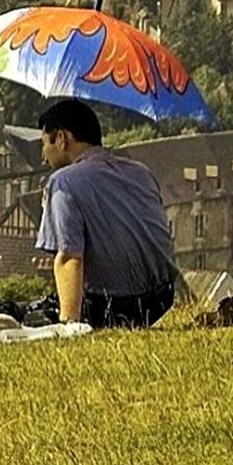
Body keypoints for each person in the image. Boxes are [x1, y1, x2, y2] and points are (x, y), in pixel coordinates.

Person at [33, 96, 179, 328]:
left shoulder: (63, 182)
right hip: (161, 298)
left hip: (113, 306)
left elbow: (70, 258)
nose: (43, 154)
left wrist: (69, 326)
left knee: (35, 313)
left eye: (44, 143)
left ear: (62, 138)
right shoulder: (140, 171)